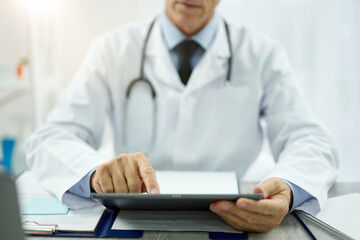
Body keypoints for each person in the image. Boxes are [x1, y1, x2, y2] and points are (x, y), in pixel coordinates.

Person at [26, 0, 338, 233]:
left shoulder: (262, 53)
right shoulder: (112, 49)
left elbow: (310, 139)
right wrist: (94, 173)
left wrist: (289, 186)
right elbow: (51, 138)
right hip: (134, 217)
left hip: (235, 218)